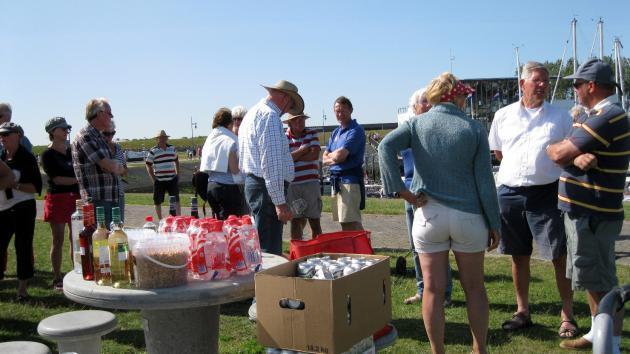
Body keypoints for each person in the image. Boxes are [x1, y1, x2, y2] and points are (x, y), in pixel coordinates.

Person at [378, 73, 500, 354]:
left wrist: (402, 192)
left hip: (428, 214)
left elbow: (385, 147)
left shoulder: (417, 124)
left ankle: (437, 351)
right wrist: (494, 222)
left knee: (432, 290)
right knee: (475, 288)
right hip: (469, 217)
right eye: (464, 96)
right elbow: (484, 181)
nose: (465, 99)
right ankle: (479, 349)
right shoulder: (473, 128)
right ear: (455, 97)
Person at [546, 58, 629, 353]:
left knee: (602, 283)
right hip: (585, 213)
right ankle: (597, 334)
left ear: (591, 86)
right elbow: (556, 147)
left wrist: (567, 153)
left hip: (593, 214)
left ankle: (611, 345)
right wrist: (574, 155)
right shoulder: (593, 116)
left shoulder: (605, 116)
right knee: (592, 277)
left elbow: (557, 152)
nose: (575, 89)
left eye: (577, 84)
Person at [488, 61, 576, 337]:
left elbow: (569, 152)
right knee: (518, 255)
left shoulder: (561, 118)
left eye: (545, 80)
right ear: (522, 84)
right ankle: (522, 310)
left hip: (547, 193)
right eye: (537, 80)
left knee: (558, 255)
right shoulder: (502, 115)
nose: (542, 84)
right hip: (510, 194)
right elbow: (499, 153)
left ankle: (568, 315)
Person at [399, 88, 453, 306]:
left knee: (438, 244)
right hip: (410, 192)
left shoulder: (440, 130)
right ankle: (423, 290)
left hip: (434, 193)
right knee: (416, 245)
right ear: (414, 107)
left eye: (431, 101)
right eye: (423, 101)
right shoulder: (407, 131)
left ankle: (445, 293)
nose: (428, 105)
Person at [239, 80, 303, 255]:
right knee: (269, 250)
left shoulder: (252, 113)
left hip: (256, 184)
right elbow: (271, 163)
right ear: (284, 98)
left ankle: (259, 280)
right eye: (290, 104)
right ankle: (267, 282)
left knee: (260, 245)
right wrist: (280, 203)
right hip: (265, 188)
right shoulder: (270, 117)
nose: (287, 110)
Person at [0, 122, 42, 300]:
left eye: (6, 134)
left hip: (23, 207)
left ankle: (22, 288)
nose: (2, 138)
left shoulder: (27, 158)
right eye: (1, 135)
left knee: (23, 246)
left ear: (18, 135)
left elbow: (35, 187)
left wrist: (14, 184)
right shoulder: (1, 155)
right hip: (3, 208)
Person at [72, 98, 125, 226]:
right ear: (100, 113)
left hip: (109, 199)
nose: (111, 117)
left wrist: (114, 166)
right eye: (109, 113)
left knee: (111, 241)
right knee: (99, 242)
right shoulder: (86, 136)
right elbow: (108, 165)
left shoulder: (99, 137)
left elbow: (113, 166)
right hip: (97, 202)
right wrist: (115, 166)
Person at [41, 117, 80, 290]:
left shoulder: (72, 150)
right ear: (53, 132)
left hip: (75, 198)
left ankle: (76, 271)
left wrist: (76, 182)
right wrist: (79, 180)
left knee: (76, 238)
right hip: (57, 199)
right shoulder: (47, 154)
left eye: (67, 128)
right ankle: (57, 277)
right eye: (63, 128)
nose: (66, 131)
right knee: (58, 239)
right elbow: (57, 180)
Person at [322, 96, 366, 231]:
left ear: (350, 110)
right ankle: (352, 247)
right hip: (336, 181)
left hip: (349, 181)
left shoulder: (356, 130)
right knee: (343, 220)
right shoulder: (335, 132)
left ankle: (362, 248)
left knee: (351, 220)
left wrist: (333, 156)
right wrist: (332, 157)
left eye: (342, 111)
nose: (339, 114)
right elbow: (324, 158)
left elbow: (340, 156)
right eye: (337, 111)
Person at [199, 107, 244, 219]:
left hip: (211, 186)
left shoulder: (210, 138)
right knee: (231, 225)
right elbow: (234, 169)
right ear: (230, 123)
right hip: (227, 188)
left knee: (218, 223)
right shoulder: (230, 140)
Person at [284, 112, 322, 239]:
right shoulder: (284, 137)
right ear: (290, 123)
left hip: (311, 183)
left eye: (302, 120)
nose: (300, 123)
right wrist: (303, 150)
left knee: (314, 220)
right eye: (296, 120)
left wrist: (294, 156)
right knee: (295, 220)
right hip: (293, 185)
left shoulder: (312, 133)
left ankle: (318, 249)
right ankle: (298, 249)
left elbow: (314, 155)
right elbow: (285, 159)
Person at [146, 130, 180, 219]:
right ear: (157, 139)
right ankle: (161, 220)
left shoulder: (172, 148)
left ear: (166, 138)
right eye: (160, 138)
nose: (162, 139)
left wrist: (177, 173)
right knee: (157, 201)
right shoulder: (153, 151)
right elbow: (148, 165)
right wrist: (153, 179)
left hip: (172, 179)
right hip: (159, 180)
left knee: (176, 200)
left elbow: (176, 161)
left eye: (164, 138)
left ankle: (178, 218)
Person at [103, 121, 127, 221]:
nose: (109, 136)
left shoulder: (118, 147)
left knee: (119, 225)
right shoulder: (99, 148)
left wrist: (118, 169)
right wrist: (116, 168)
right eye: (106, 134)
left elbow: (125, 170)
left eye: (112, 133)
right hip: (104, 194)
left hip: (119, 192)